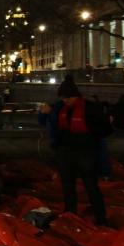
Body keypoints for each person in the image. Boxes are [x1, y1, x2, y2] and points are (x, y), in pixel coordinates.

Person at [38, 83, 110, 225]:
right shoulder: (60, 108)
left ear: (76, 96)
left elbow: (105, 129)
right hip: (65, 152)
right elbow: (46, 121)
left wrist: (92, 139)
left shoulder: (90, 108)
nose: (65, 101)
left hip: (85, 152)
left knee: (91, 186)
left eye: (68, 98)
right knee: (67, 185)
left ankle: (101, 218)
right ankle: (70, 214)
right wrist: (43, 113)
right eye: (63, 98)